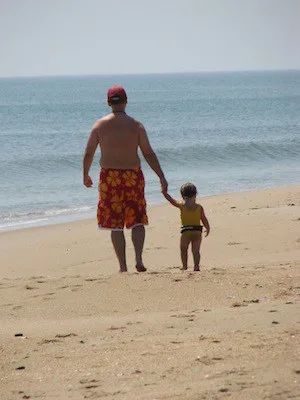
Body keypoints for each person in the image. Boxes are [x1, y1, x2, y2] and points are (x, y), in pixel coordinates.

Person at [83, 85, 168, 273]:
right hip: (132, 176)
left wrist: (85, 174)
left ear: (108, 103)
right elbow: (148, 153)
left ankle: (123, 266)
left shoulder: (99, 126)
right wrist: (161, 176)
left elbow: (89, 152)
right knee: (137, 219)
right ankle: (139, 259)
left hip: (109, 178)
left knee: (115, 224)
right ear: (126, 101)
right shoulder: (136, 126)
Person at [163, 183, 210, 271]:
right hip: (197, 231)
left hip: (186, 232)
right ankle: (196, 266)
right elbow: (204, 219)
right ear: (196, 194)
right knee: (196, 251)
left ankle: (184, 266)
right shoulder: (199, 207)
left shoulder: (182, 206)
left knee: (183, 249)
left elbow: (171, 201)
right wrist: (208, 228)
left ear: (182, 195)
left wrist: (165, 193)